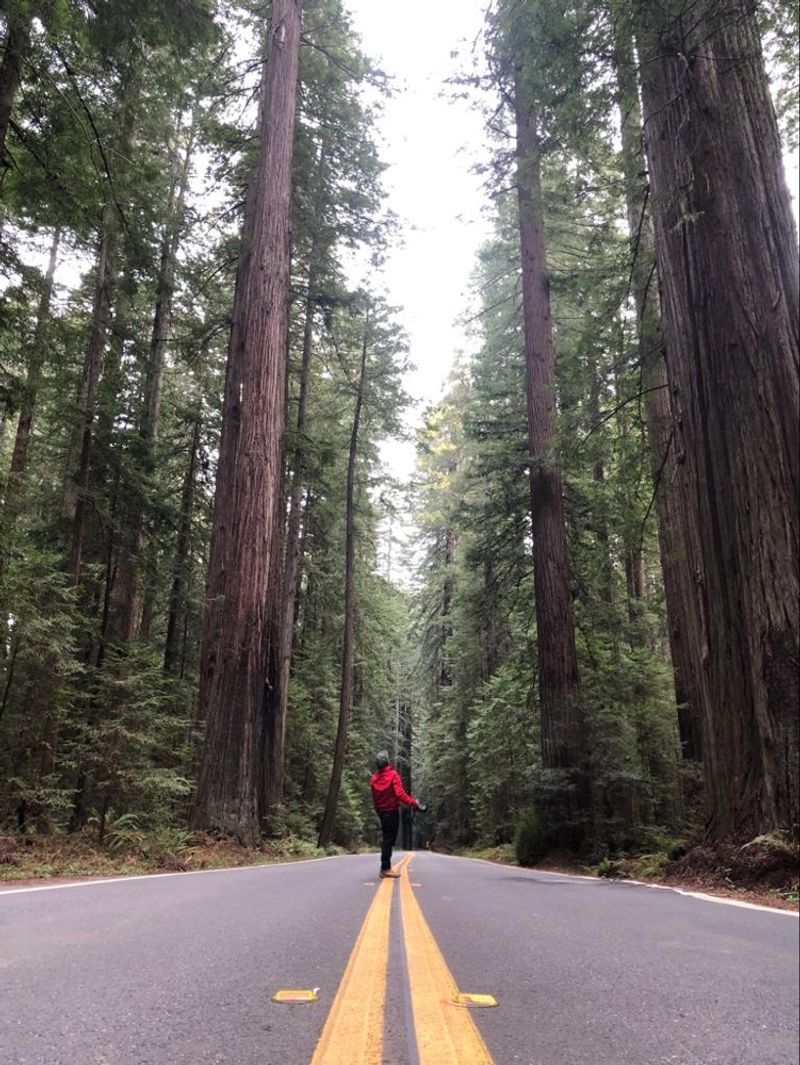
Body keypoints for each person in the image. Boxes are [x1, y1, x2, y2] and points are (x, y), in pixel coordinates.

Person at [370, 751, 419, 878]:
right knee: (389, 840)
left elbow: (375, 798)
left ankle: (385, 867)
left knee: (387, 838)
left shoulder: (374, 778)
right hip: (391, 811)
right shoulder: (393, 775)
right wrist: (414, 802)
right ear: (387, 761)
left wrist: (378, 809)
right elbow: (400, 794)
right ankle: (385, 869)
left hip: (381, 812)